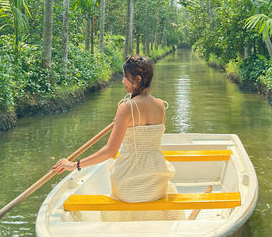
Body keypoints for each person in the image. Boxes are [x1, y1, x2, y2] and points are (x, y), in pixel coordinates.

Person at [51, 55, 180, 216]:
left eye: (126, 77)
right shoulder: (161, 106)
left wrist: (74, 165)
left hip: (128, 186)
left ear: (138, 79)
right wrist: (121, 121)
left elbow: (110, 152)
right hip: (156, 185)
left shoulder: (126, 108)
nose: (122, 81)